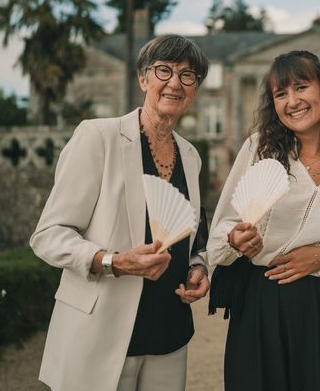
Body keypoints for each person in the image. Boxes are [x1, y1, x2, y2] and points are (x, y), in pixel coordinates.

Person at [30, 34, 210, 391]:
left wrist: (199, 268)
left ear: (195, 90)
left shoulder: (191, 155)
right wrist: (111, 261)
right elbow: (48, 235)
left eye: (187, 75)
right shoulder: (98, 136)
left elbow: (192, 237)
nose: (175, 82)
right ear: (143, 80)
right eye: (164, 71)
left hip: (168, 333)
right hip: (101, 332)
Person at [207, 50, 320, 391]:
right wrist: (236, 240)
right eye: (280, 94)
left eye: (301, 87)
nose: (292, 101)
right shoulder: (258, 151)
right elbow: (220, 234)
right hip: (260, 305)